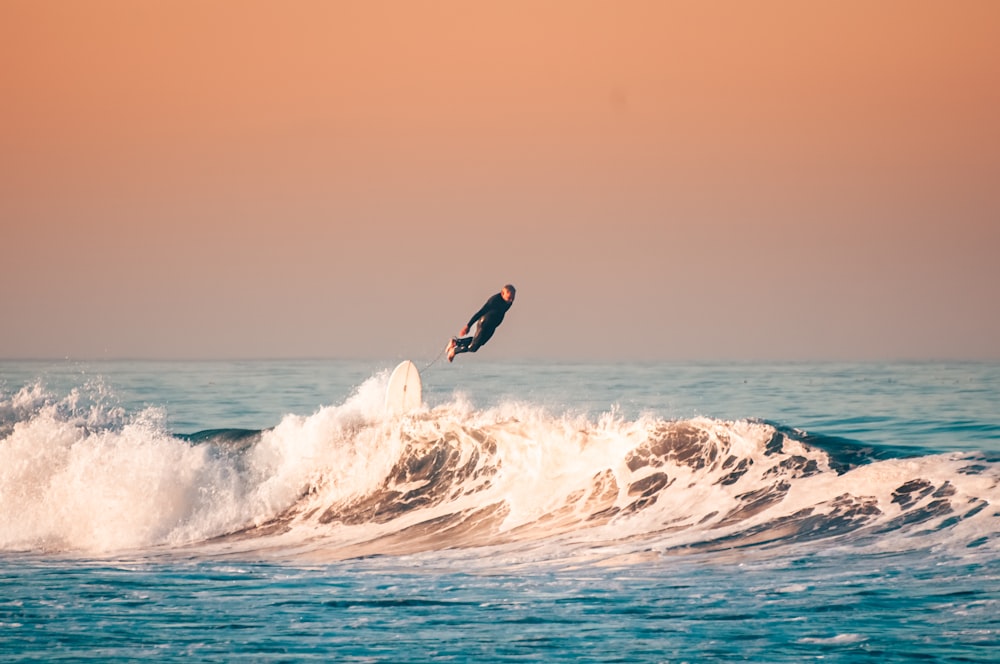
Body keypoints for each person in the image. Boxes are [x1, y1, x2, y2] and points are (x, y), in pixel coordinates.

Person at [447, 284, 516, 362]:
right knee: (473, 348)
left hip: (492, 326)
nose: (511, 300)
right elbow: (480, 312)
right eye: (509, 298)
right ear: (502, 293)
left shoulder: (509, 302)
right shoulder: (493, 301)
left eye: (513, 298)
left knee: (479, 343)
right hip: (484, 324)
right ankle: (454, 351)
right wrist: (468, 326)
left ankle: (456, 342)